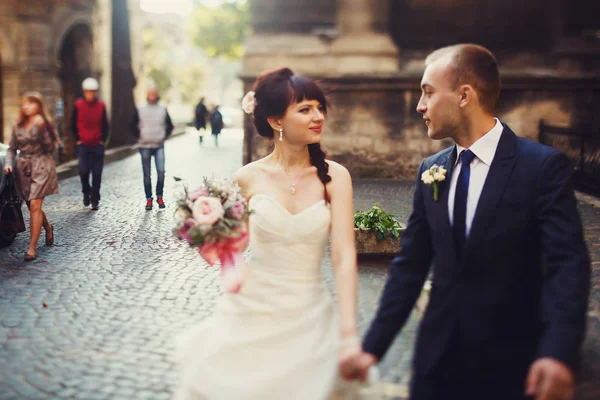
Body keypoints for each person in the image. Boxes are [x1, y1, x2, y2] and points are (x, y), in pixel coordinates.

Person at [344, 44, 591, 400]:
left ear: (464, 96)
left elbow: (567, 265)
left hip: (513, 368)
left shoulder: (541, 168)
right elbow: (410, 266)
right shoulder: (432, 170)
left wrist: (557, 353)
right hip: (436, 364)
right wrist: (372, 348)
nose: (419, 105)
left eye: (428, 92)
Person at [172, 68, 364, 399]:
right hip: (251, 312)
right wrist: (207, 226)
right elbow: (232, 244)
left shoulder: (337, 177)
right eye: (305, 110)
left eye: (319, 108)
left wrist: (348, 332)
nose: (318, 116)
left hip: (310, 314)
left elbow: (344, 255)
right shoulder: (246, 178)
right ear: (276, 121)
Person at [3, 92, 58, 261]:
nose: (27, 106)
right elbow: (11, 148)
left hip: (41, 165)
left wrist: (42, 129)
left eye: (31, 103)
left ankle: (32, 248)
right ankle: (48, 227)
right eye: (25, 103)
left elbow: (51, 147)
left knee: (35, 205)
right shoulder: (17, 125)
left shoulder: (44, 124)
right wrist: (8, 163)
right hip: (22, 169)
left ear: (38, 106)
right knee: (32, 206)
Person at [130, 86, 174, 210]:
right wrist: (139, 137)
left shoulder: (163, 108)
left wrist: (164, 136)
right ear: (147, 95)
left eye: (154, 94)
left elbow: (170, 125)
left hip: (159, 145)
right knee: (147, 174)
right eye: (150, 94)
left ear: (157, 94)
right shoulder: (140, 108)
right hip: (144, 145)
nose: (152, 97)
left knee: (161, 172)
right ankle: (149, 199)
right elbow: (132, 124)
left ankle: (159, 196)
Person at [72, 77, 109, 210]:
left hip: (97, 144)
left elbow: (105, 125)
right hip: (83, 144)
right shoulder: (78, 105)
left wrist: (102, 140)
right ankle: (86, 192)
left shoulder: (101, 106)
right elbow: (72, 124)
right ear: (84, 91)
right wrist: (77, 139)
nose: (90, 94)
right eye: (88, 91)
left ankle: (95, 199)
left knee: (97, 173)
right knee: (83, 171)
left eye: (93, 91)